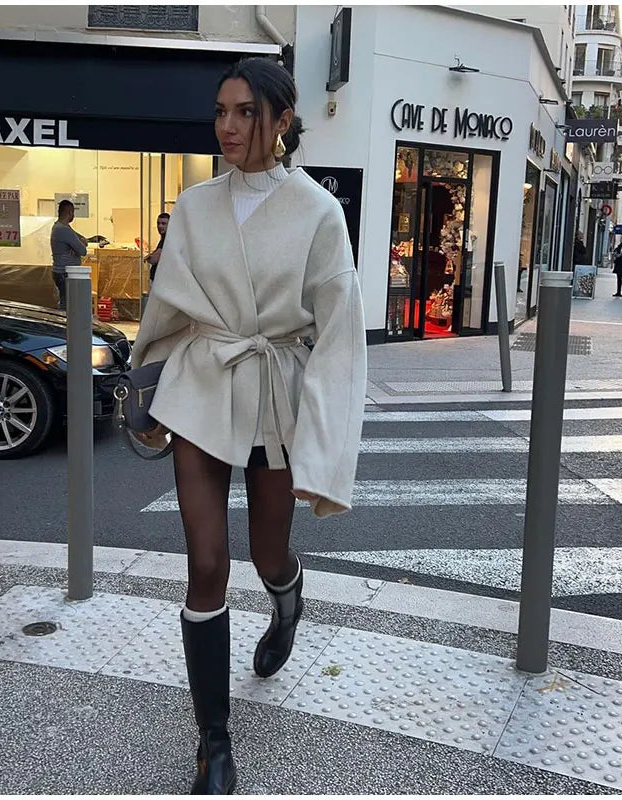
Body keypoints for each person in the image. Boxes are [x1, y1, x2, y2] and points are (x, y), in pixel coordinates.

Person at [130, 58, 366, 794]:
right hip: (203, 381)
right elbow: (169, 305)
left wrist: (325, 450)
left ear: (282, 121)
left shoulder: (319, 212)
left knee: (266, 551)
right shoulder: (195, 205)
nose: (227, 126)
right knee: (206, 564)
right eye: (220, 112)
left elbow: (339, 335)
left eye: (245, 113)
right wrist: (145, 378)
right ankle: (214, 741)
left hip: (273, 390)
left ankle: (286, 600)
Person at [50, 200, 101, 310]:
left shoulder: (62, 227)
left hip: (62, 272)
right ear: (70, 213)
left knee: (67, 302)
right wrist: (78, 245)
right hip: (64, 273)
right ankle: (64, 320)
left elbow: (82, 239)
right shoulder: (63, 229)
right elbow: (82, 251)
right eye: (73, 213)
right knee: (67, 304)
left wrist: (78, 243)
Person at [145, 212, 170, 285]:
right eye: (158, 223)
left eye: (163, 223)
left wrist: (148, 257)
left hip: (160, 281)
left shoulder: (167, 239)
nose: (160, 226)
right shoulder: (164, 238)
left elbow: (154, 260)